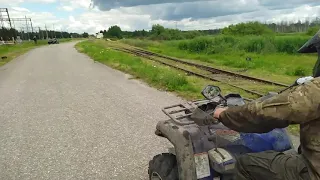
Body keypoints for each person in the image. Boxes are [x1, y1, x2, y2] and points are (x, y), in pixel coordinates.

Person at [213, 30, 320, 180]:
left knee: (245, 164)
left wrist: (225, 114)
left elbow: (268, 113)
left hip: (313, 173)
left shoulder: (316, 90)